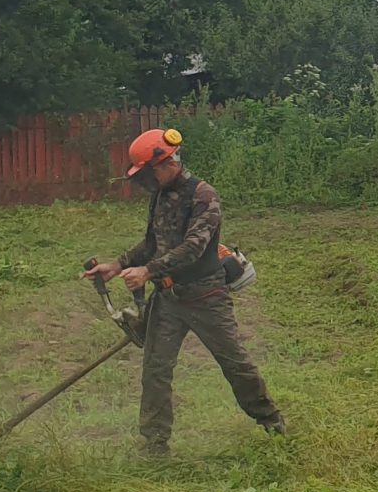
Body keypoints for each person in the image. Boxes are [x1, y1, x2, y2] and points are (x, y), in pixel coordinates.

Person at [83, 128, 284, 450]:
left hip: (206, 296)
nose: (145, 182)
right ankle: (155, 444)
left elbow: (193, 247)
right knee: (156, 370)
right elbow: (153, 243)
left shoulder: (204, 196)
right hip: (168, 298)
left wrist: (147, 271)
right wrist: (118, 265)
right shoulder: (160, 195)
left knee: (235, 364)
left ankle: (271, 422)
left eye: (147, 173)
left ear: (167, 163)